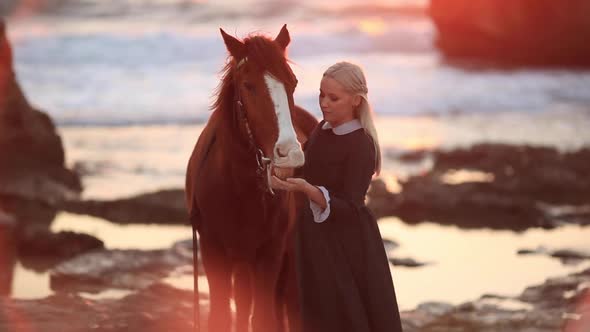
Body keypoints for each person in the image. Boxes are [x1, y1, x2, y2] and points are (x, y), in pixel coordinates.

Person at [271, 62, 403, 332]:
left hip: (347, 244)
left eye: (333, 97)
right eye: (321, 95)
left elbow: (352, 207)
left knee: (345, 316)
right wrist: (281, 171)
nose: (324, 104)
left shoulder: (361, 144)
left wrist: (308, 190)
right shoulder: (321, 130)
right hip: (313, 236)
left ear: (356, 100)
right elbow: (304, 165)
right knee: (315, 314)